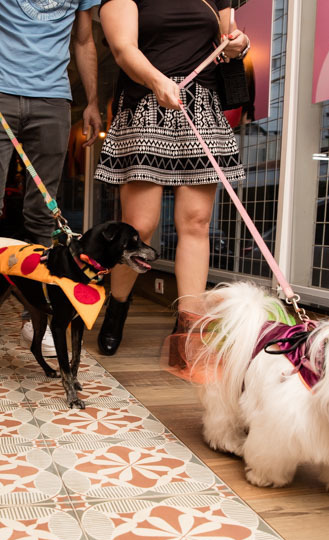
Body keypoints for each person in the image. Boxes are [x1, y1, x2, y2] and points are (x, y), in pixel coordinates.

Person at [0, 0, 102, 356]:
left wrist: (92, 101)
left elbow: (83, 41)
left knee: (41, 212)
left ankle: (38, 317)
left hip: (54, 100)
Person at [93, 0, 249, 356]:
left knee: (196, 222)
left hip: (202, 107)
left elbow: (230, 39)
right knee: (140, 227)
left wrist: (240, 44)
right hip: (148, 102)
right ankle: (116, 308)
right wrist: (158, 81)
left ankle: (188, 331)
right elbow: (123, 49)